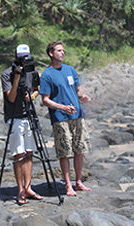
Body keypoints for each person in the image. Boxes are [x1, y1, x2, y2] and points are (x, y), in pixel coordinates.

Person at [39, 41, 91, 196]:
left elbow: (78, 88)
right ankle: (68, 185)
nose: (62, 53)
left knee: (79, 150)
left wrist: (82, 96)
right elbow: (45, 100)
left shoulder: (70, 70)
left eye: (63, 50)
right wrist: (63, 107)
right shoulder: (47, 75)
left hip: (77, 116)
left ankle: (79, 182)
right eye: (59, 50)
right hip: (60, 118)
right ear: (51, 53)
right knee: (64, 152)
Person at [1, 44, 43, 205]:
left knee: (29, 152)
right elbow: (10, 98)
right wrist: (17, 77)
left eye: (26, 56)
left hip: (28, 116)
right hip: (14, 117)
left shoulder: (32, 71)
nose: (24, 60)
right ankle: (20, 190)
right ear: (16, 57)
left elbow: (36, 89)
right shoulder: (7, 74)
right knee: (18, 154)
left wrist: (32, 96)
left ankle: (28, 187)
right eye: (21, 57)